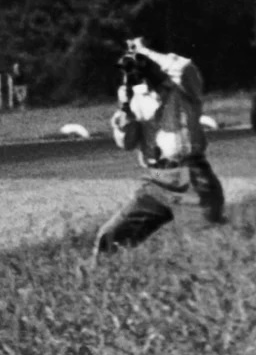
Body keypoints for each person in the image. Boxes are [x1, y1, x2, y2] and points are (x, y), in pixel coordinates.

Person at [94, 39, 227, 254]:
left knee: (205, 249)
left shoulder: (184, 88)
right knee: (109, 238)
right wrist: (125, 109)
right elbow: (126, 142)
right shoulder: (138, 98)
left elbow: (182, 67)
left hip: (191, 177)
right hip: (158, 180)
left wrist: (145, 53)